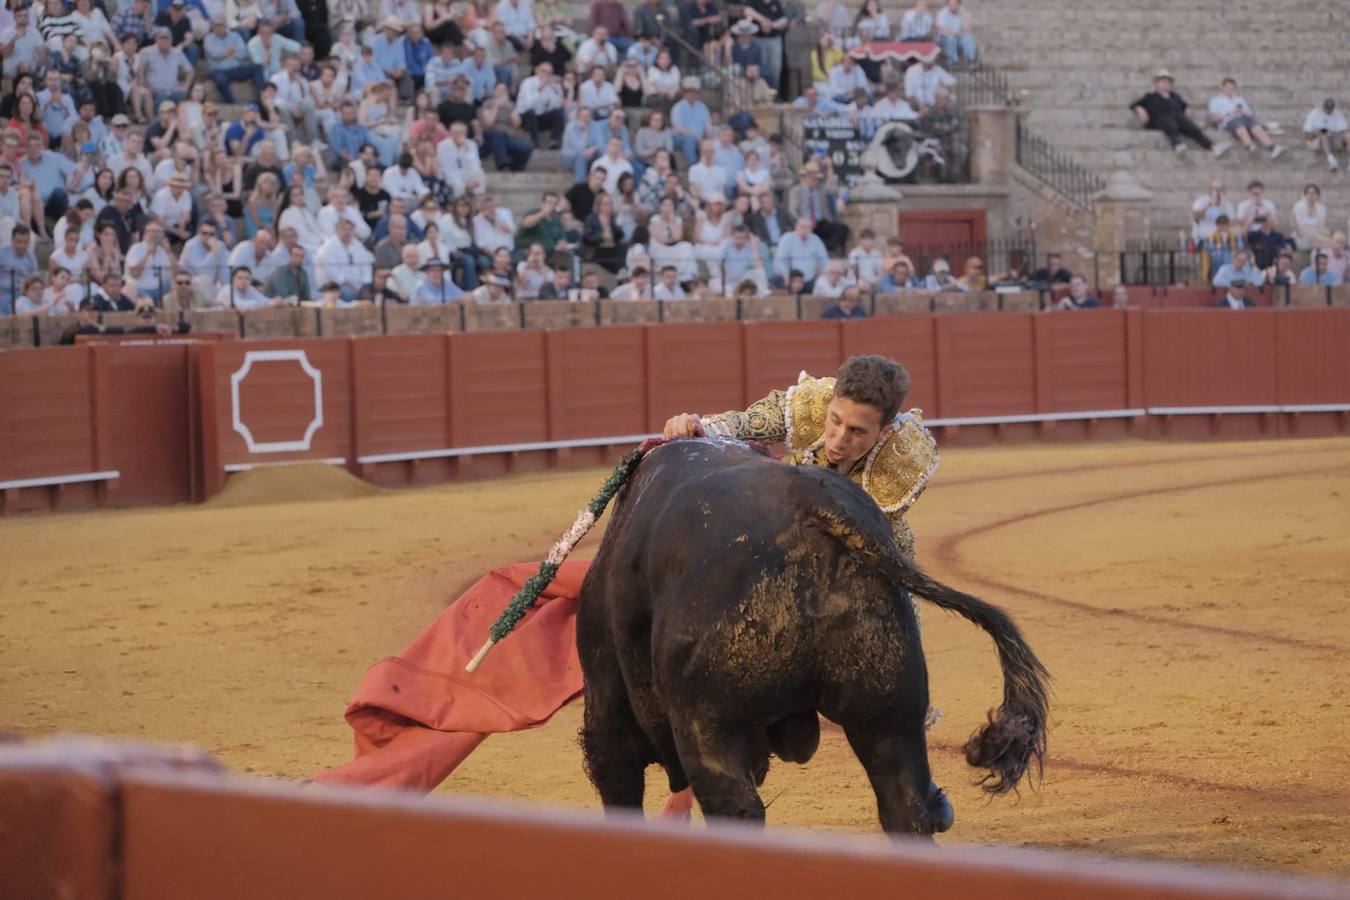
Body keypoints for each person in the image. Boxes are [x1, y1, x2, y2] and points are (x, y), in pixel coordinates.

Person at [1131, 70, 1226, 157]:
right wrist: (1140, 109)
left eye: (1167, 82)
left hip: (1178, 118)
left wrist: (1187, 110)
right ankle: (1177, 145)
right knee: (1171, 125)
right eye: (1162, 81)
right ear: (1156, 84)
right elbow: (1135, 104)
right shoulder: (1150, 96)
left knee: (1193, 128)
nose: (1165, 84)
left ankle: (1212, 146)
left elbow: (1184, 106)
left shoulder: (1175, 97)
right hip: (1160, 119)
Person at [1206, 78, 1282, 159]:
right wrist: (1229, 113)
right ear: (1222, 88)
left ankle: (1272, 147)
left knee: (1256, 127)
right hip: (1229, 120)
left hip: (1244, 118)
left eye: (1232, 88)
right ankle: (1250, 146)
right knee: (1239, 126)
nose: (1230, 90)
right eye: (1228, 88)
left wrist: (1243, 112)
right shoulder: (1216, 100)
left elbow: (1250, 113)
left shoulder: (1239, 99)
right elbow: (1213, 119)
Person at [1303, 97, 1348, 173]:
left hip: (1333, 139)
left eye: (1331, 109)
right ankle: (1331, 160)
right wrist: (1317, 133)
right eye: (1327, 108)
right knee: (1324, 135)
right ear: (1323, 106)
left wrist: (1335, 134)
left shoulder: (1337, 114)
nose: (1329, 111)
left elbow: (1344, 129)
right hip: (1315, 141)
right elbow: (1307, 135)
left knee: (1348, 135)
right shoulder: (1314, 114)